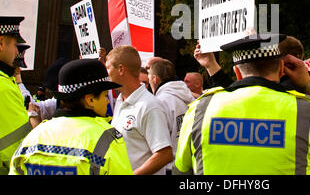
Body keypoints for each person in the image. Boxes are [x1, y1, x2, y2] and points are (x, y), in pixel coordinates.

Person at [174, 34, 310, 175]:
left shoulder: (200, 109)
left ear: (237, 73)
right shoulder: (307, 112)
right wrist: (309, 85)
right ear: (282, 69)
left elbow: (182, 166)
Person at [9, 58, 133, 175]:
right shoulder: (106, 139)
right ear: (90, 100)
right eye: (105, 95)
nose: (107, 101)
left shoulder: (34, 136)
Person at [106, 45, 173, 175]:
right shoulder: (120, 101)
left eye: (108, 68)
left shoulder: (150, 106)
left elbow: (164, 154)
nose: (106, 73)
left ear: (120, 69)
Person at [148, 59, 194, 174]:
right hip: (189, 164)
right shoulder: (190, 97)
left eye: (149, 78)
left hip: (168, 167)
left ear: (155, 79)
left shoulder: (159, 102)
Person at [0, 16, 33, 175]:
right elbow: (19, 149)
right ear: (1, 43)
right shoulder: (2, 87)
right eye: (14, 45)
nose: (16, 51)